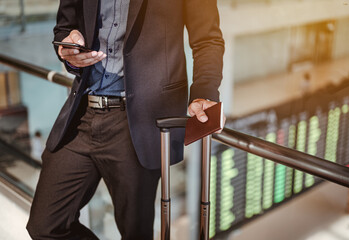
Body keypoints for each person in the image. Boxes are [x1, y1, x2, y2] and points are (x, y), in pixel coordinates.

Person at [26, 0, 224, 239]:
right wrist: (69, 53)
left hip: (140, 121)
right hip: (82, 113)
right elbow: (64, 29)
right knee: (44, 227)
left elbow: (207, 39)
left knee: (135, 234)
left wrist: (204, 92)